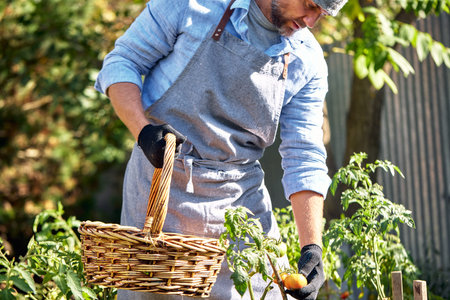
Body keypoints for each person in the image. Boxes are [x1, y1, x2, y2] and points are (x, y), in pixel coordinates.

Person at [95, 0, 347, 299]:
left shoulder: (307, 59)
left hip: (239, 198)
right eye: (310, 5)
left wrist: (312, 247)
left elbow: (304, 154)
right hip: (161, 186)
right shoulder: (191, 5)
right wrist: (143, 130)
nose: (311, 21)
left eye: (322, 13)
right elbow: (123, 62)